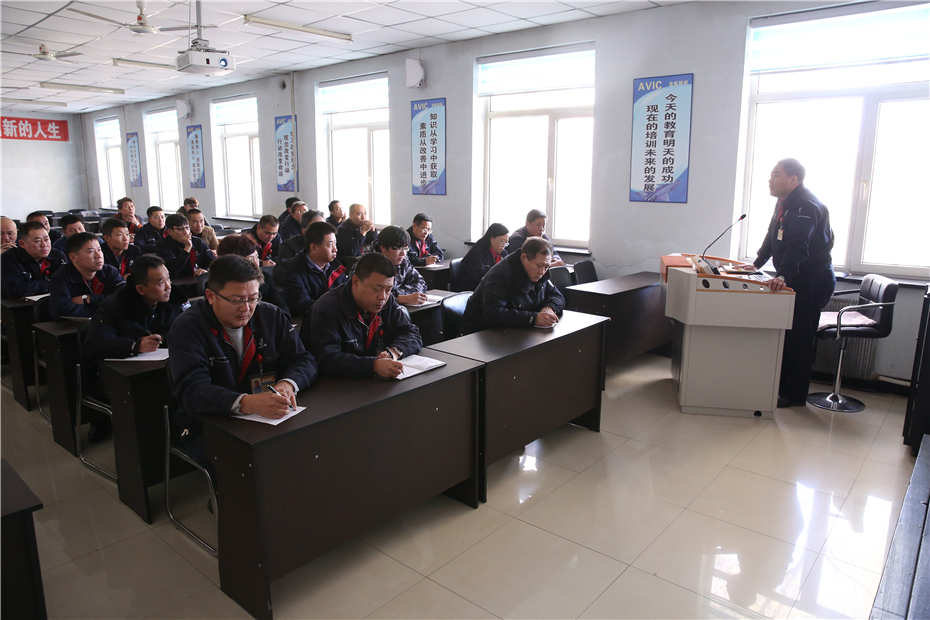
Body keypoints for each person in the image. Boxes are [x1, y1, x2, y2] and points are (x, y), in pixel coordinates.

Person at [168, 255, 317, 459]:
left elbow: (304, 360)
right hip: (210, 423)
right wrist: (246, 402)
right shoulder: (187, 328)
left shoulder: (271, 316)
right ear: (211, 296)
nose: (246, 308)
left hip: (267, 419)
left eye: (253, 298)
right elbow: (192, 390)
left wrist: (288, 384)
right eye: (237, 300)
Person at [753, 158, 835, 407]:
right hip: (797, 278)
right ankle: (781, 387)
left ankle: (794, 395)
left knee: (800, 337)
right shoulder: (785, 202)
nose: (770, 179)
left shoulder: (805, 206)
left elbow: (799, 245)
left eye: (776, 175)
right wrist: (756, 264)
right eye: (771, 174)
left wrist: (782, 276)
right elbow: (772, 236)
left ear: (793, 179)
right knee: (789, 335)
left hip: (811, 281)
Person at [309, 253, 422, 379]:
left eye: (388, 289)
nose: (382, 297)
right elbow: (327, 359)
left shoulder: (387, 301)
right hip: (338, 384)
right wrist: (373, 365)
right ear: (356, 281)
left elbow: (411, 333)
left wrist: (393, 352)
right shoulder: (327, 308)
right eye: (376, 289)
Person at [82, 255, 181, 396]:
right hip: (116, 379)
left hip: (157, 369)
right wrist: (135, 346)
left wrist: (163, 338)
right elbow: (96, 343)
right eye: (160, 282)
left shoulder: (170, 299)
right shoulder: (115, 305)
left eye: (168, 279)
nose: (168, 286)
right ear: (141, 289)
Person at [462, 236, 564, 333]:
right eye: (538, 265)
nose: (542, 272)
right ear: (524, 257)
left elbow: (557, 296)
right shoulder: (501, 275)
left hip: (515, 331)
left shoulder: (540, 273)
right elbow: (494, 314)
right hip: (481, 333)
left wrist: (549, 308)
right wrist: (534, 318)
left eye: (546, 267)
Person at [274, 221, 347, 323]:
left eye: (335, 244)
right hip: (309, 322)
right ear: (314, 247)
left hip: (336, 318)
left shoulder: (336, 266)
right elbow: (302, 305)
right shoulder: (292, 270)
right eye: (330, 244)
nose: (335, 249)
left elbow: (346, 293)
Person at [49, 232, 124, 319]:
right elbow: (62, 310)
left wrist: (90, 299)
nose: (98, 255)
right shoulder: (61, 277)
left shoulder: (109, 271)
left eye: (99, 250)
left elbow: (124, 298)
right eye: (91, 251)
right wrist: (105, 309)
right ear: (73, 257)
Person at [217, 234, 288, 311]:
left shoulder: (264, 277)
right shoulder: (217, 284)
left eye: (257, 257)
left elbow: (282, 311)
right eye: (250, 260)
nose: (256, 264)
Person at [1, 221, 66, 299]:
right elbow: (16, 290)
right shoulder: (8, 258)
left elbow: (67, 281)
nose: (44, 245)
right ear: (22, 243)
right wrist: (51, 284)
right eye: (37, 241)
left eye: (46, 239)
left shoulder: (57, 255)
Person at [372, 226, 428, 306]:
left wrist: (400, 295)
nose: (403, 253)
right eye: (397, 248)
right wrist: (400, 298)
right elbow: (370, 295)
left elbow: (421, 282)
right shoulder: (370, 263)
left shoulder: (403, 260)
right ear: (383, 248)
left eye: (405, 248)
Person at [156, 213, 214, 279]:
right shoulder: (162, 245)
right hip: (178, 282)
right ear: (169, 231)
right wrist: (187, 249)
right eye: (180, 229)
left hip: (199, 279)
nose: (186, 232)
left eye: (187, 228)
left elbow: (213, 262)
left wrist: (206, 270)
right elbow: (172, 271)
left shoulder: (198, 242)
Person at [457, 223, 509, 291]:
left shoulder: (503, 253)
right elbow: (480, 277)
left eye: (506, 242)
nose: (503, 245)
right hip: (472, 289)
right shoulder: (477, 253)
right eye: (501, 241)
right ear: (492, 239)